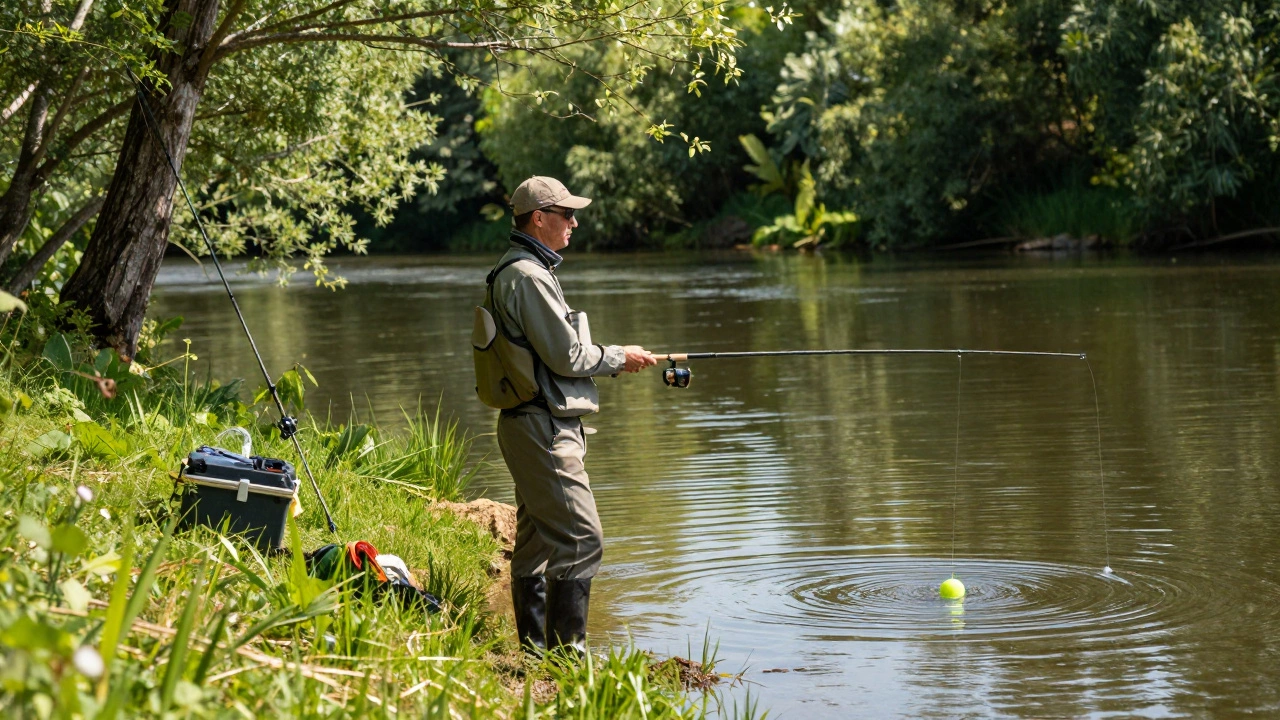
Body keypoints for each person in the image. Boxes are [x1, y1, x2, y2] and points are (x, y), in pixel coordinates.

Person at [487, 176, 657, 655]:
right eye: (566, 214)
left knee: (538, 541)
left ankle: (535, 654)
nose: (574, 223)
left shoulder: (524, 269)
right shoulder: (527, 275)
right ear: (538, 218)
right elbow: (566, 356)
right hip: (542, 429)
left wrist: (617, 356)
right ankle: (567, 662)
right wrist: (619, 356)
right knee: (583, 540)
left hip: (533, 423)